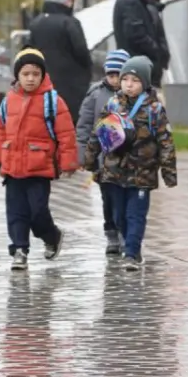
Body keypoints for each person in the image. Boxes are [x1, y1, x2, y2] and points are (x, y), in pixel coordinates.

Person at [83, 55, 177, 270]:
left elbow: (166, 142)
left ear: (144, 83)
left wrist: (169, 171)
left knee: (136, 214)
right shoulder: (113, 103)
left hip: (142, 173)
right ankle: (130, 245)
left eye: (134, 80)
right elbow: (99, 133)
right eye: (125, 79)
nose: (129, 84)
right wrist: (89, 159)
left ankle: (132, 253)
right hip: (114, 172)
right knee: (119, 216)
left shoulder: (154, 109)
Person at [0, 48, 79, 270]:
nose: (30, 78)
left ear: (42, 75)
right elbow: (1, 131)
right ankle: (19, 250)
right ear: (17, 76)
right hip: (13, 169)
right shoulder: (8, 101)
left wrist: (69, 161)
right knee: (16, 212)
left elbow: (66, 133)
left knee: (38, 211)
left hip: (39, 168)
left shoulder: (52, 101)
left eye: (35, 73)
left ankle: (51, 236)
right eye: (25, 74)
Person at [78, 50, 127, 255]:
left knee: (125, 198)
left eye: (119, 75)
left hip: (128, 160)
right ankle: (112, 233)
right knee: (108, 198)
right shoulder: (95, 95)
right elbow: (84, 126)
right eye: (111, 74)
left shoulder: (134, 94)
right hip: (102, 160)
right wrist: (82, 155)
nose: (115, 79)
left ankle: (126, 233)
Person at [28, 0, 95, 119]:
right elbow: (81, 52)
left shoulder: (36, 23)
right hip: (72, 88)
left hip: (44, 86)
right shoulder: (69, 23)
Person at [112, 0, 172, 87]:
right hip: (139, 71)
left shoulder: (138, 1)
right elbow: (136, 35)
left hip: (142, 69)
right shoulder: (130, 2)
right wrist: (157, 52)